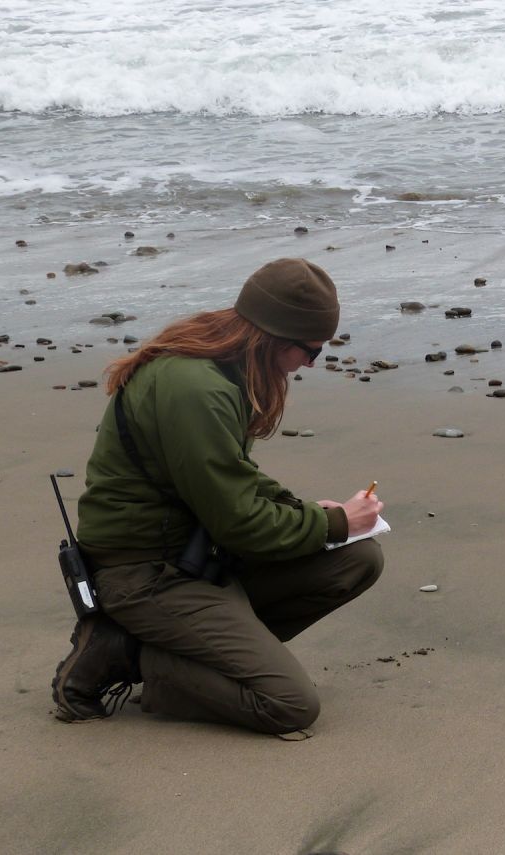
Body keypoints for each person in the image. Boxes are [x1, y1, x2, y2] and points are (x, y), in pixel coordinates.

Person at [51, 257, 384, 735]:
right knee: (288, 704)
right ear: (275, 337)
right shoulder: (197, 389)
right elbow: (239, 523)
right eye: (310, 353)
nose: (309, 365)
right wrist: (332, 524)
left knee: (358, 558)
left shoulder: (220, 366)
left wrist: (309, 513)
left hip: (194, 555)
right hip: (144, 573)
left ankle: (199, 654)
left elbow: (233, 478)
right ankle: (125, 655)